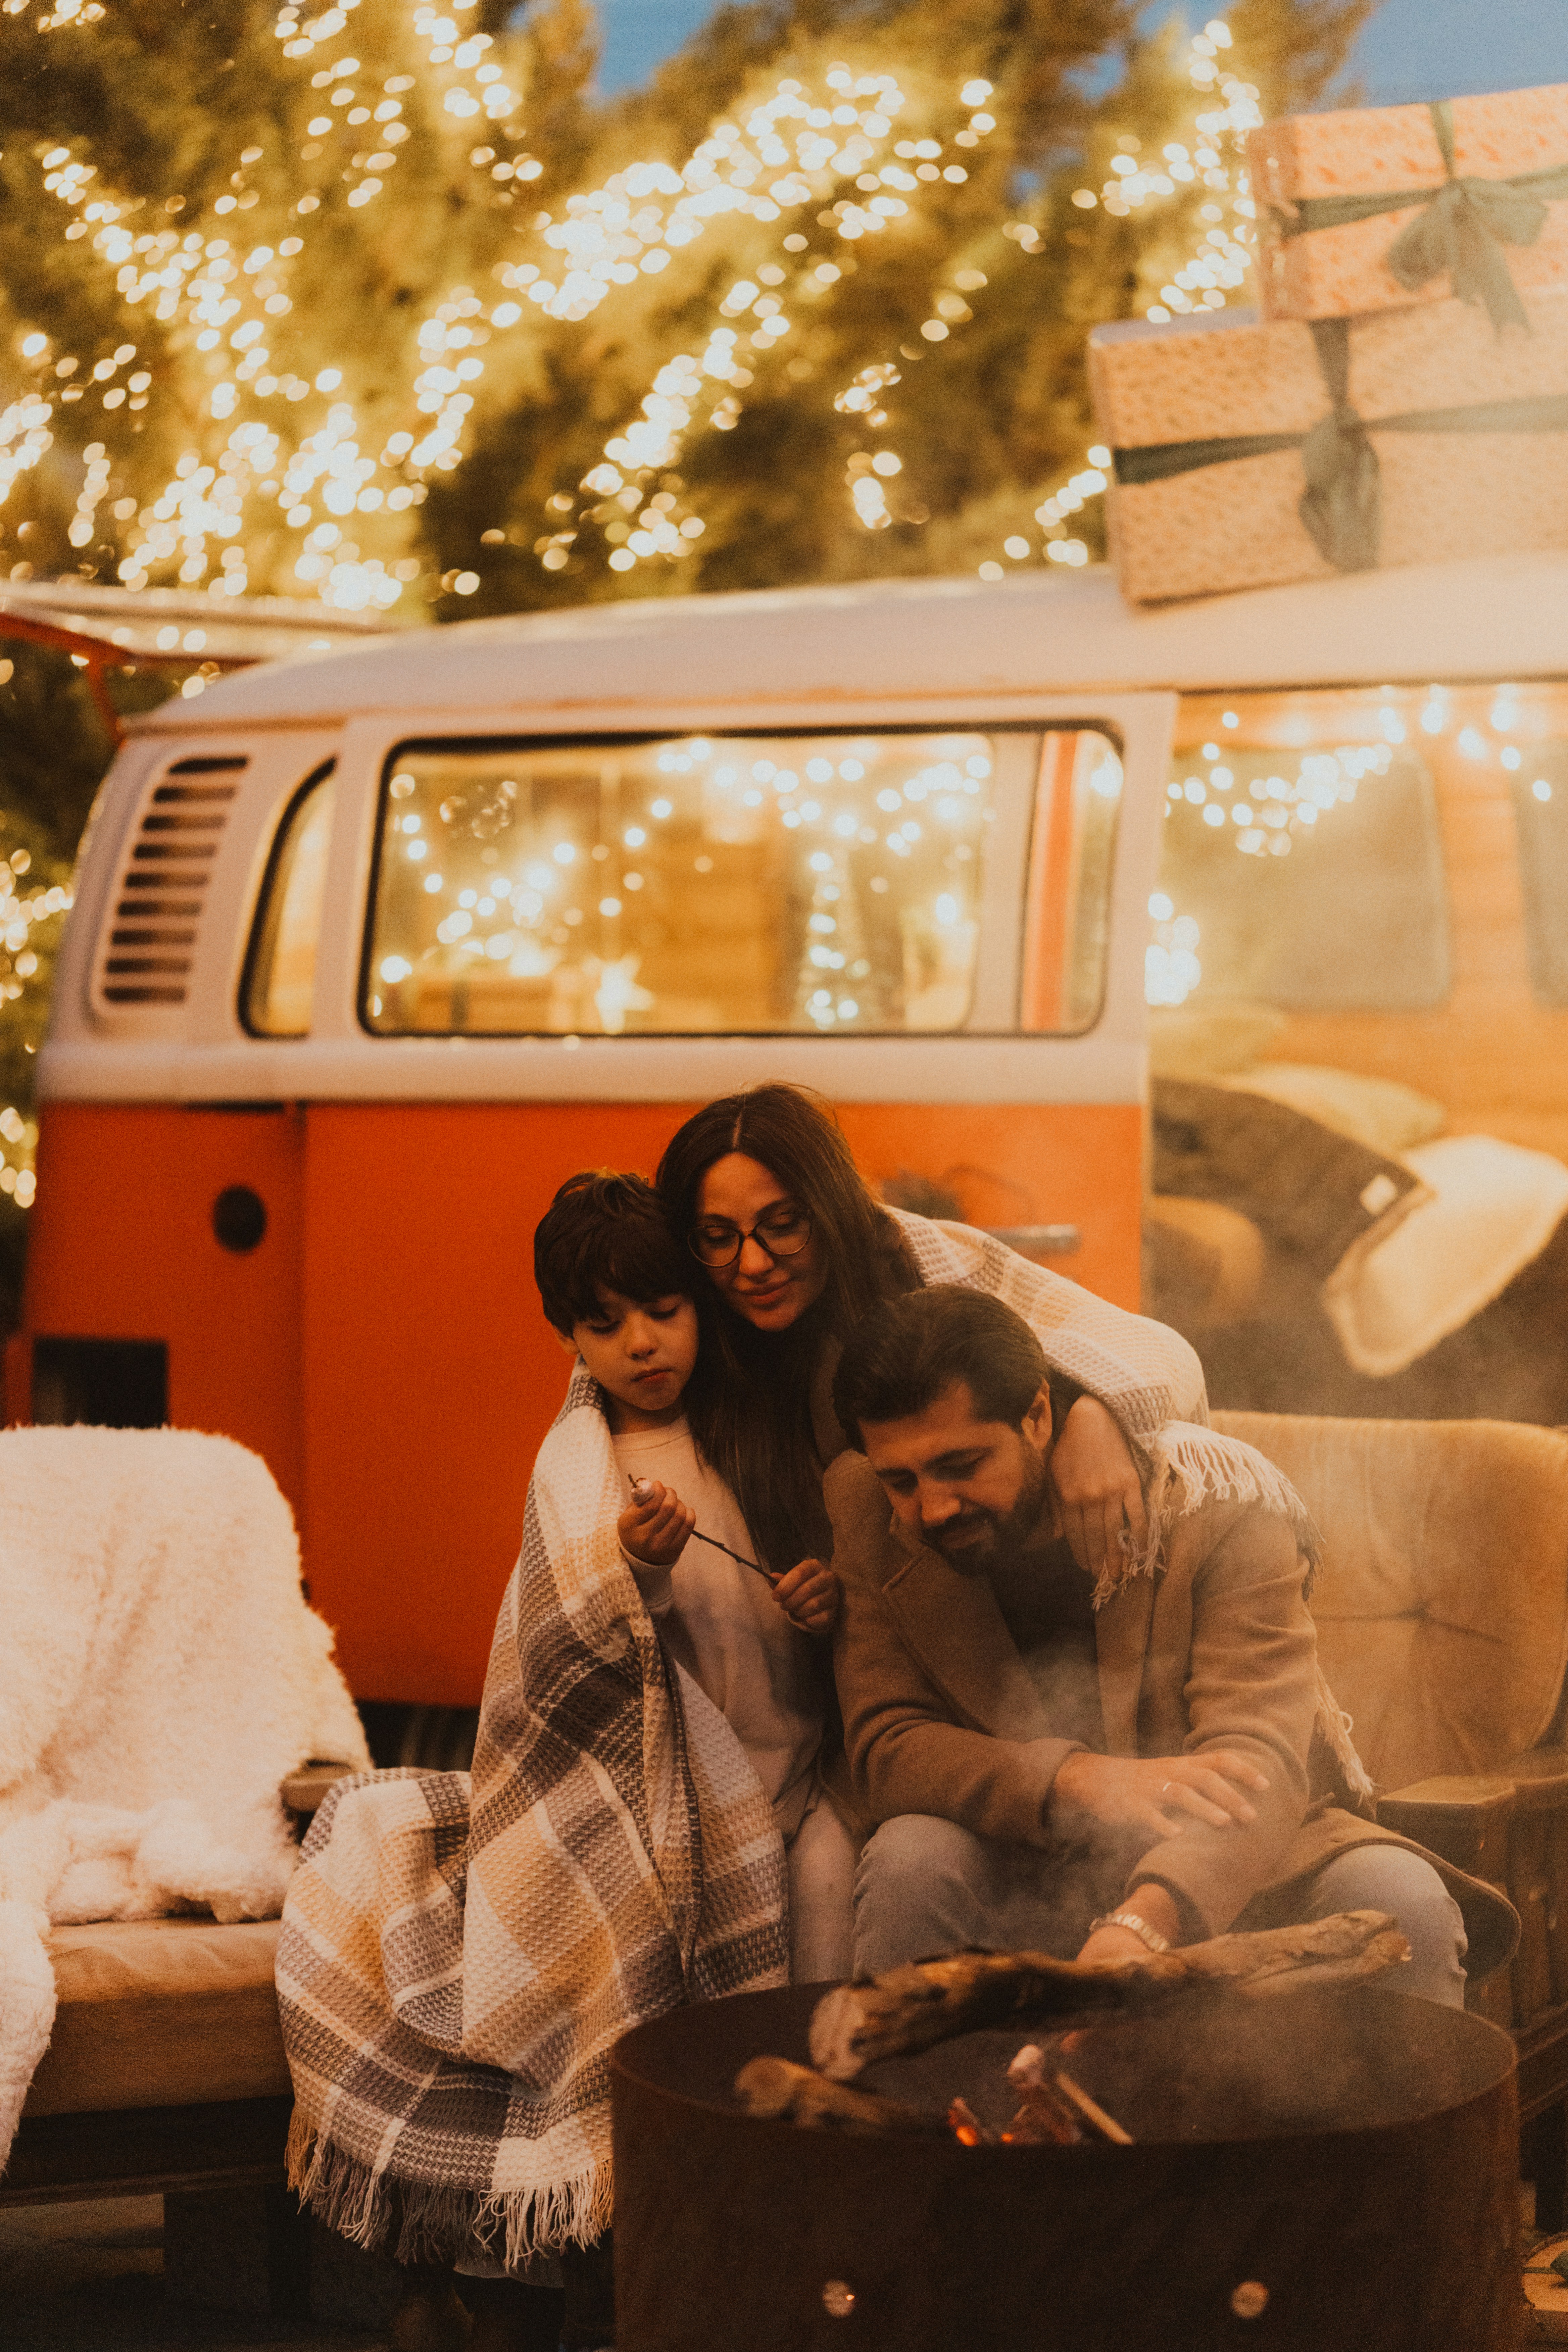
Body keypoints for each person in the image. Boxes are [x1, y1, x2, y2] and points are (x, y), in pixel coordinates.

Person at [826, 1283, 1519, 2002]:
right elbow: (886, 1745)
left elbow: (1258, 1759)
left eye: (961, 1465)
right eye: (900, 1480)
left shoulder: (1210, 1498)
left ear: (1036, 1415)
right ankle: (922, 2115)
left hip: (1230, 1856)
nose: (932, 1507)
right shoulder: (858, 1502)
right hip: (1014, 1849)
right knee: (910, 1858)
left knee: (1394, 1897)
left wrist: (1145, 1920)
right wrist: (1079, 1779)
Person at [655, 1082, 1207, 1595]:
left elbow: (1162, 1354)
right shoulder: (676, 1323)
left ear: (833, 1210)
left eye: (784, 1225)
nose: (753, 1263)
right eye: (718, 1236)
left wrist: (1097, 1415)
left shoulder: (923, 1263)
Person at [536, 1169, 856, 1984]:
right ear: (566, 1336)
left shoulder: (753, 1422)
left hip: (809, 1771)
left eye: (664, 1312)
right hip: (695, 1809)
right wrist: (638, 1566)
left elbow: (826, 1558)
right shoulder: (584, 1473)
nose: (641, 1344)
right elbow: (574, 1636)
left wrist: (821, 1599)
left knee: (821, 1971)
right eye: (604, 1327)